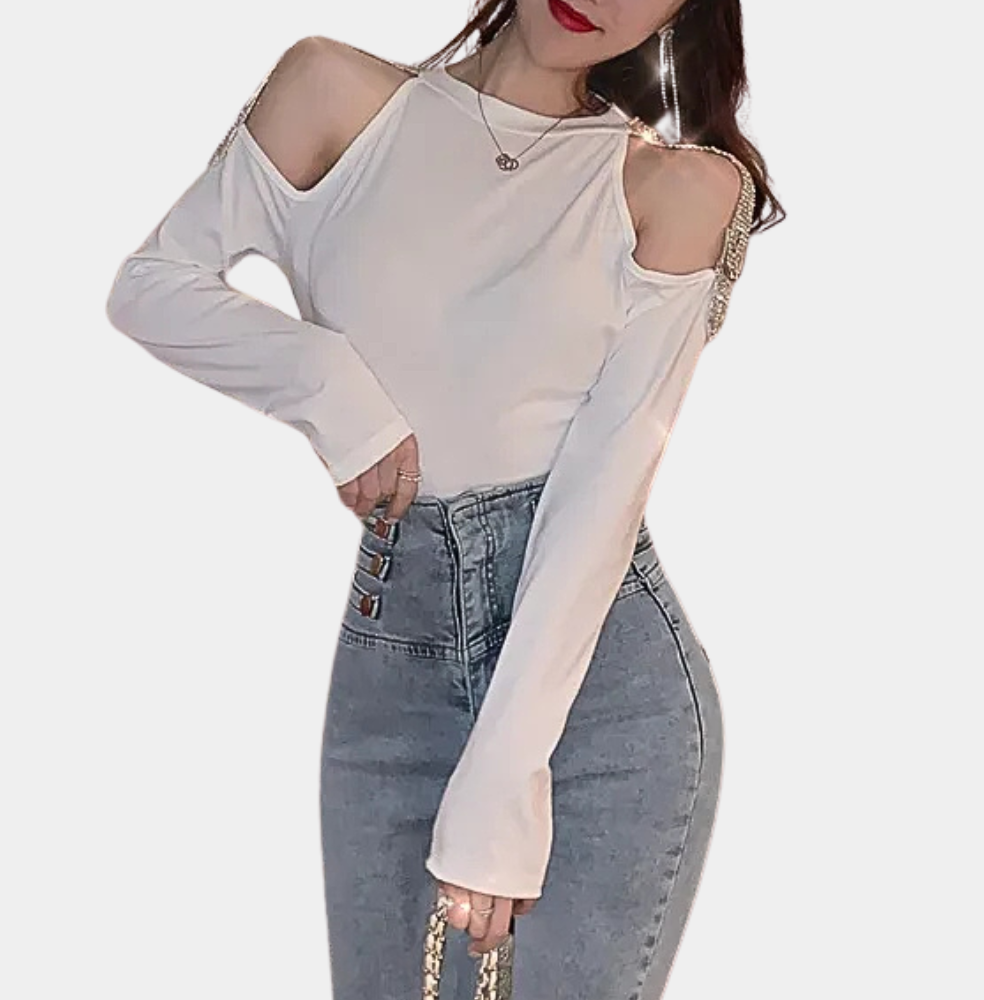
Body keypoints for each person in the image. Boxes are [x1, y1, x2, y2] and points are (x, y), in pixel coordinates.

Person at [106, 0, 785, 996]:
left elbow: (602, 499)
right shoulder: (335, 94)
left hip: (595, 690)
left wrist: (505, 781)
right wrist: (327, 387)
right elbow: (154, 284)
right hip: (393, 660)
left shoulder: (674, 188)